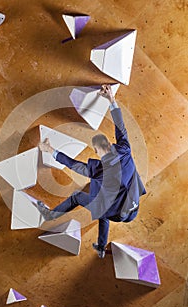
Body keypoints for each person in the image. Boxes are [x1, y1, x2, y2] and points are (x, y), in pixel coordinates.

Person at [37, 84, 146, 258]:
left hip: (117, 211)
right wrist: (111, 100)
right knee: (103, 209)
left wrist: (49, 150)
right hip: (133, 209)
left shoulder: (97, 170)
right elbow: (121, 127)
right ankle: (101, 248)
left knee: (77, 197)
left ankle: (50, 215)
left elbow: (72, 164)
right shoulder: (125, 151)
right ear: (110, 145)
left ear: (97, 151)